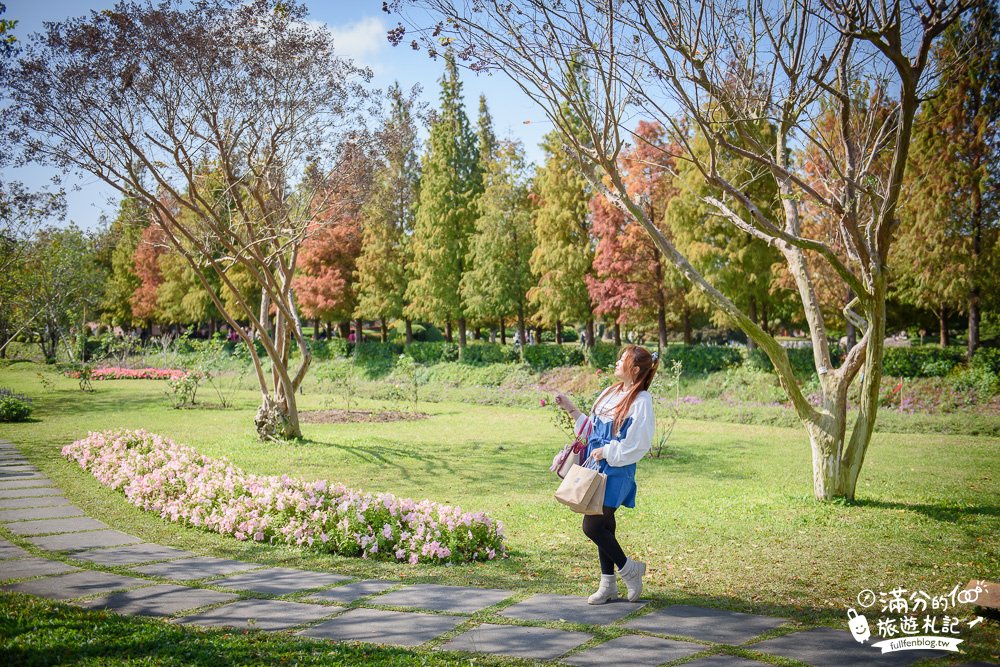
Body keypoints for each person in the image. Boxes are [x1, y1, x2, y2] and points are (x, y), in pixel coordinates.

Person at [555, 345, 658, 604]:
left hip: (617, 471)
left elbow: (639, 444)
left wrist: (608, 452)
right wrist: (571, 409)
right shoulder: (610, 393)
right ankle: (608, 584)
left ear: (634, 370)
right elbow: (592, 430)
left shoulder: (641, 401)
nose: (617, 361)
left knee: (592, 525)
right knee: (605, 525)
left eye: (622, 359)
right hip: (595, 468)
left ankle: (629, 570)